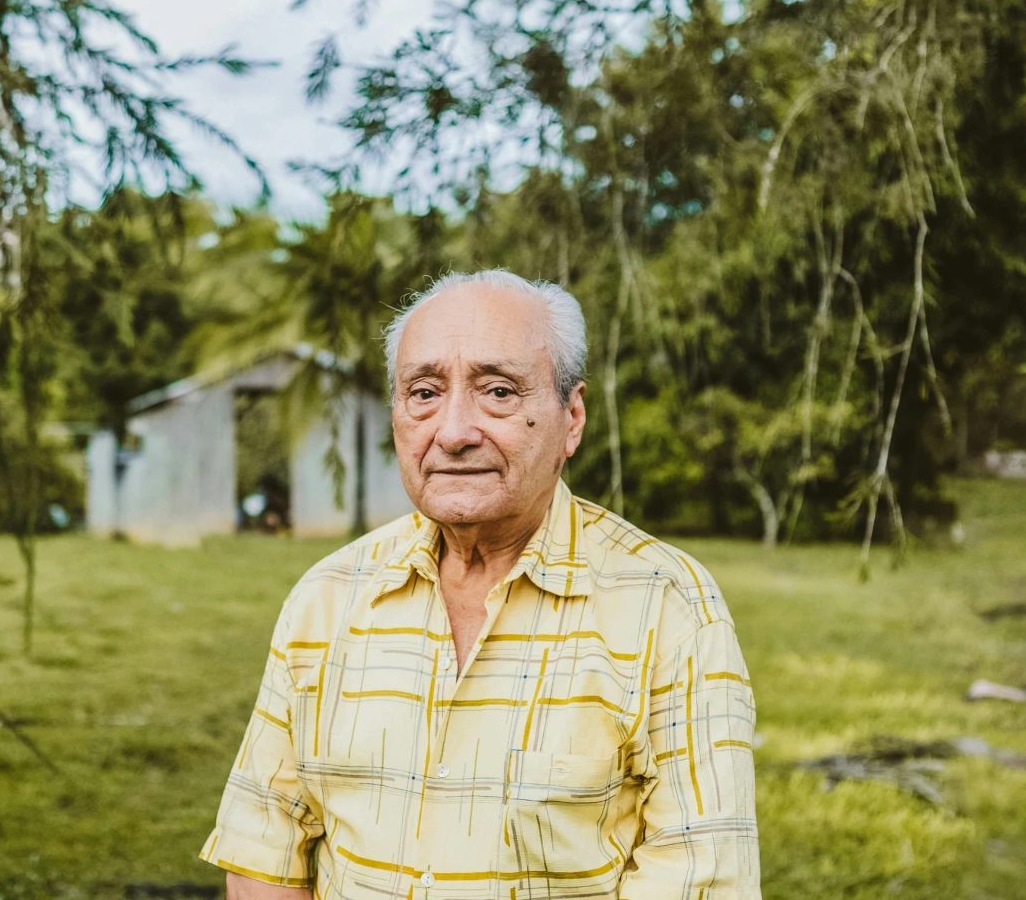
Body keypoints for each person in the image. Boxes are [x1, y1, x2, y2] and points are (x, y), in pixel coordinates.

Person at [202, 269, 761, 900]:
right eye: (423, 393)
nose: (454, 430)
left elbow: (700, 879)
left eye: (497, 391)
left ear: (570, 419)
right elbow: (263, 848)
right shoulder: (326, 597)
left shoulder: (671, 606)